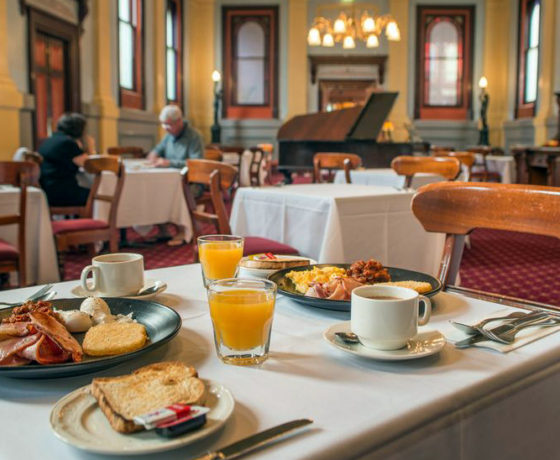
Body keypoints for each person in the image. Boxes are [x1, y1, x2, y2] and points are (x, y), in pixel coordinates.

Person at [146, 105, 204, 245]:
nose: (165, 128)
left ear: (179, 121)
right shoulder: (168, 136)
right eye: (163, 124)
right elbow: (156, 150)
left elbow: (196, 164)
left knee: (171, 192)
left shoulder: (194, 136)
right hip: (169, 181)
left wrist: (169, 163)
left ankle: (183, 231)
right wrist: (153, 155)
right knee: (152, 190)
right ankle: (163, 230)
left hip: (192, 183)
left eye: (168, 124)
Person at [38, 113, 90, 207]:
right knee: (95, 195)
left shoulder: (48, 141)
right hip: (59, 193)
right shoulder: (67, 143)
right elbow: (89, 164)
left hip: (47, 189)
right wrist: (89, 146)